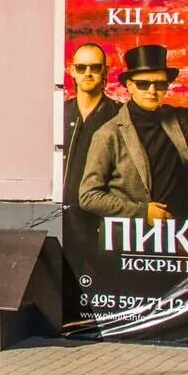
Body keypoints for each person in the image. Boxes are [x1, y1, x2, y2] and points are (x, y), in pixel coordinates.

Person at [79, 44, 188, 221]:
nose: (152, 91)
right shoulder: (108, 134)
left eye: (159, 84)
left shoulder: (177, 119)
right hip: (129, 238)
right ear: (130, 86)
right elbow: (88, 196)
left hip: (175, 235)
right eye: (143, 84)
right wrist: (142, 212)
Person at [63, 42, 122, 256]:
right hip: (62, 222)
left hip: (101, 225)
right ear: (72, 71)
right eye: (81, 67)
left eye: (95, 67)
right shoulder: (60, 113)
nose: (88, 73)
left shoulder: (120, 115)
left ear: (105, 71)